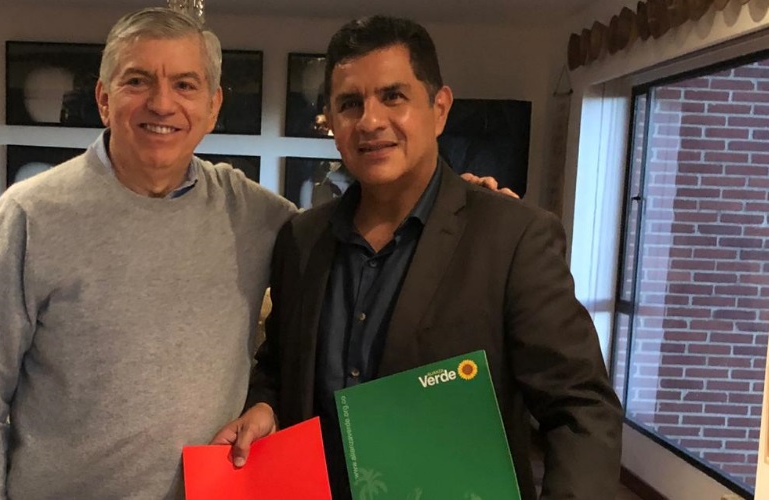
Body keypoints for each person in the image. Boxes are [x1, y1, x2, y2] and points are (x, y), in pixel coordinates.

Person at [212, 15, 623, 500]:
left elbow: (581, 411)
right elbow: (279, 366)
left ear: (439, 108)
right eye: (350, 103)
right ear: (332, 123)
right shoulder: (301, 239)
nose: (370, 121)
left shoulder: (512, 237)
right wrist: (266, 406)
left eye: (393, 96)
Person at [0, 8, 295, 499]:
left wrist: (268, 404)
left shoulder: (256, 216)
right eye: (137, 81)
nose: (162, 103)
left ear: (213, 106)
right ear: (104, 99)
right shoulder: (29, 215)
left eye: (185, 85)